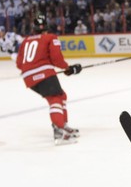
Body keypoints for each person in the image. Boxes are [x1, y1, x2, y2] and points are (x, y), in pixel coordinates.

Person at [15, 15, 83, 145]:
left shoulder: (26, 41)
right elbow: (56, 58)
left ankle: (63, 126)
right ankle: (59, 132)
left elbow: (19, 63)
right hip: (43, 73)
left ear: (34, 29)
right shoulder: (50, 37)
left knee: (61, 95)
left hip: (28, 78)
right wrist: (68, 68)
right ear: (46, 28)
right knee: (55, 99)